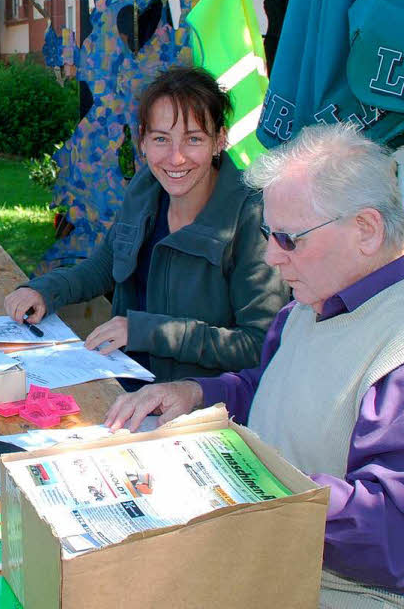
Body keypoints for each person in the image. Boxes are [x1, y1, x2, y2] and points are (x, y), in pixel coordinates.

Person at [105, 123, 404, 606]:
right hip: (259, 554)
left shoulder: (396, 349)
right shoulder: (313, 302)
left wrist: (248, 485)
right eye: (268, 233)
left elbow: (392, 533)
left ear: (366, 229)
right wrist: (194, 394)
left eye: (288, 238)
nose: (270, 255)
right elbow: (273, 387)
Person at [5, 66, 287, 382]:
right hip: (125, 386)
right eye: (161, 139)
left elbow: (260, 344)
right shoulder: (146, 188)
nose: (175, 158)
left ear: (219, 140)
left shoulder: (253, 218)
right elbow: (104, 266)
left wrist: (147, 331)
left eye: (193, 138)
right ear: (143, 140)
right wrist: (44, 290)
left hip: (199, 409)